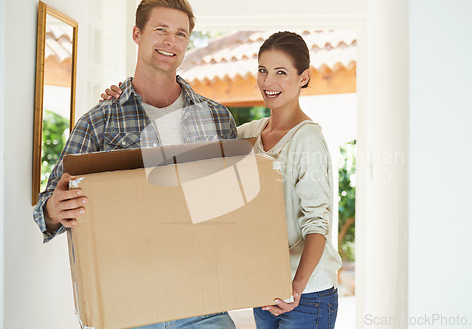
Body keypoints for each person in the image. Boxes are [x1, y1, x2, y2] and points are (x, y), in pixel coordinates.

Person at [103, 31, 342, 329]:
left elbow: (318, 223)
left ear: (303, 78)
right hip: (267, 284)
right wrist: (125, 99)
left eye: (281, 72)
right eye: (263, 70)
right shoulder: (248, 134)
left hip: (306, 294)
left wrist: (296, 287)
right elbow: (187, 148)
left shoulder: (307, 139)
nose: (268, 82)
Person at [33, 0, 237, 329]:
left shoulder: (216, 118)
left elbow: (237, 206)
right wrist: (56, 209)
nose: (171, 41)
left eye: (181, 33)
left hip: (205, 305)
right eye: (161, 29)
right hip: (126, 306)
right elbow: (46, 209)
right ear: (137, 34)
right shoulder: (99, 121)